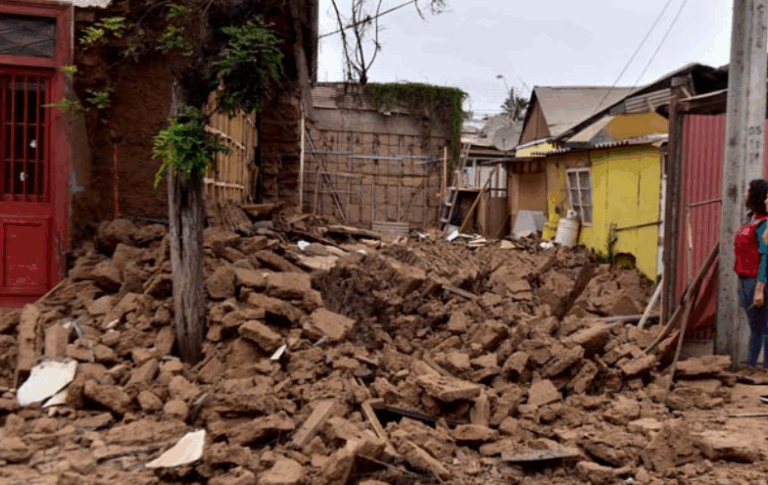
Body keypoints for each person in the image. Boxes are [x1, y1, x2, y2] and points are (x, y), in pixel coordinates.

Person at [735, 179, 768, 368]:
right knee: (756, 326)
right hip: (745, 279)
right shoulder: (752, 220)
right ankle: (752, 364)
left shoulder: (763, 225)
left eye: (747, 190)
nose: (744, 193)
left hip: (756, 281)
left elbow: (766, 257)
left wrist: (759, 289)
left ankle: (760, 367)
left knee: (762, 327)